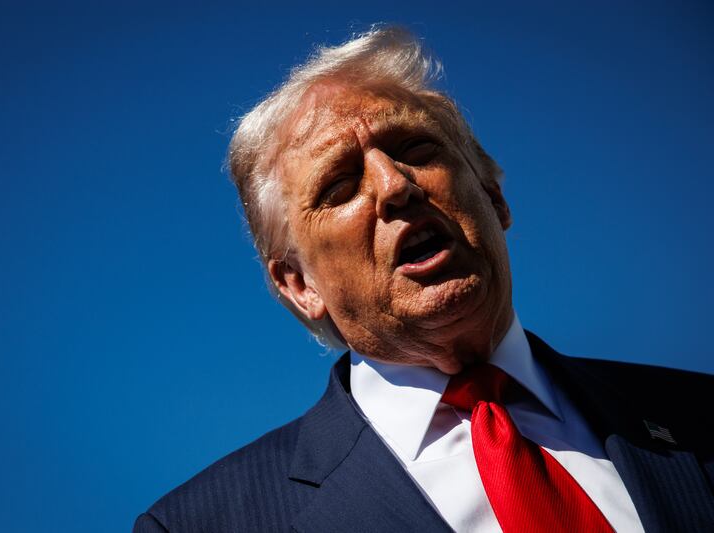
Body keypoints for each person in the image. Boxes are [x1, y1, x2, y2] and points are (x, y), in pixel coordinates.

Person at [134, 27, 714, 532]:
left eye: (415, 148)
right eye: (338, 185)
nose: (394, 185)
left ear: (492, 196)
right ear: (298, 285)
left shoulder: (696, 414)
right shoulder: (204, 523)